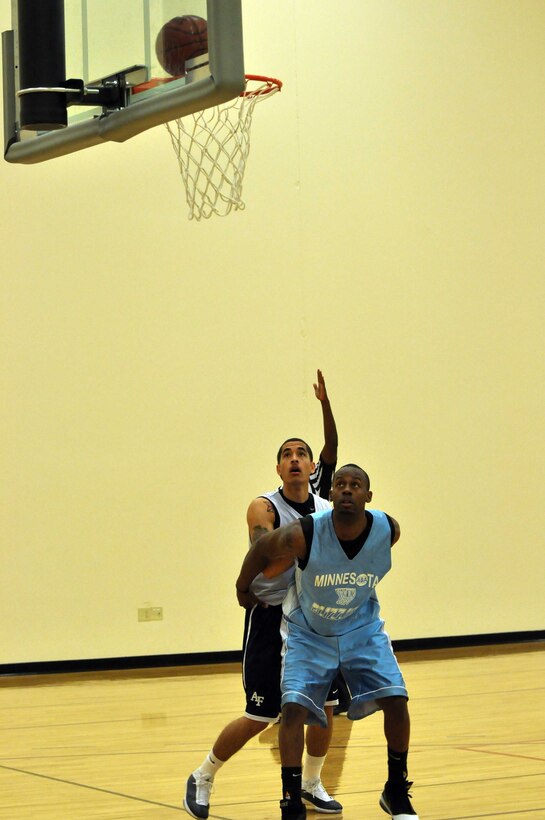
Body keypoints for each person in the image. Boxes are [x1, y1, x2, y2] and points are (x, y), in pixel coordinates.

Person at [183, 371, 343, 819]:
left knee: (327, 709)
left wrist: (326, 405)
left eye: (302, 454)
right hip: (271, 614)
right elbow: (266, 560)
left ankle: (312, 784)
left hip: (315, 618)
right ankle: (203, 775)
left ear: (312, 468)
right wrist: (312, 544)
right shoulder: (265, 507)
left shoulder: (323, 499)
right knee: (262, 716)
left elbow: (332, 447)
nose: (296, 459)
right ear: (278, 469)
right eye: (287, 455)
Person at [235, 464, 419, 820]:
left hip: (360, 628)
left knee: (397, 698)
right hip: (310, 632)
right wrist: (243, 587)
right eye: (340, 484)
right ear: (330, 495)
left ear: (368, 496)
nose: (347, 489)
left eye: (355, 485)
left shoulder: (388, 529)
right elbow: (261, 551)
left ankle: (395, 790)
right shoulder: (305, 532)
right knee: (292, 710)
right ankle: (291, 801)